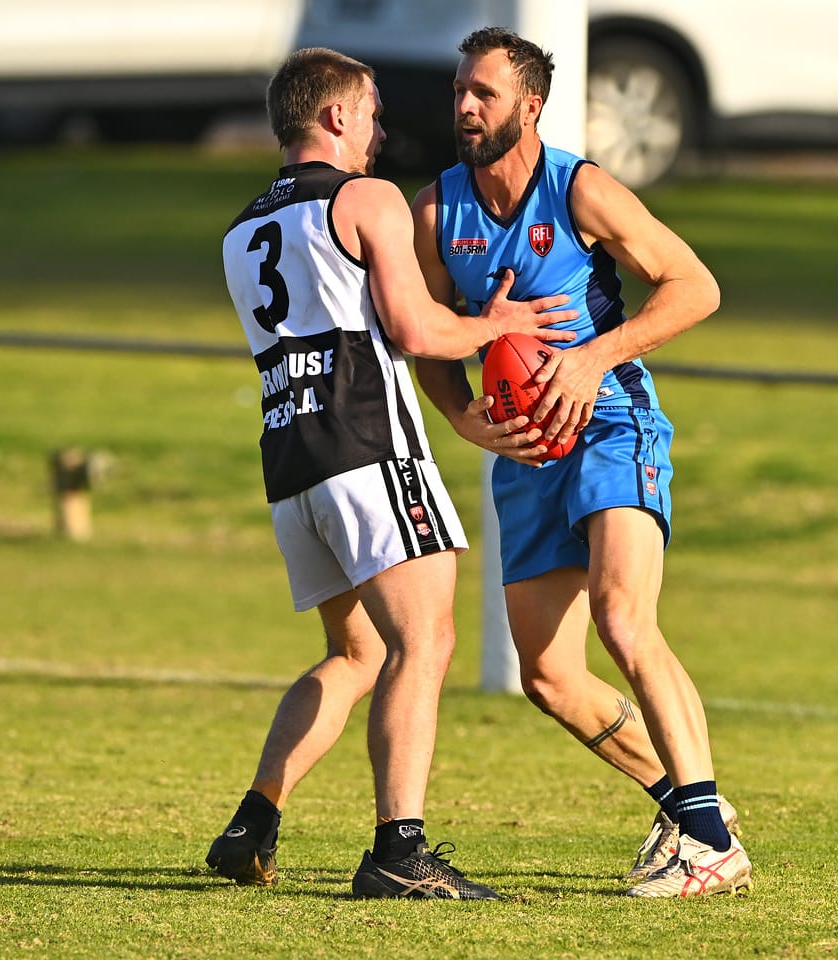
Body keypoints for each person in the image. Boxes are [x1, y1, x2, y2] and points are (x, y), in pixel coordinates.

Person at [207, 46, 577, 900]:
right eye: (372, 114)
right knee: (426, 640)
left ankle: (253, 822)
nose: (379, 134)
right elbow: (415, 331)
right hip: (369, 448)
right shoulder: (365, 198)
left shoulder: (241, 229)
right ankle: (398, 851)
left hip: (291, 461)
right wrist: (498, 324)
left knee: (356, 651)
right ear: (336, 116)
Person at [411, 27, 751, 898]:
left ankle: (712, 846)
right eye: (460, 91)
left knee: (623, 619)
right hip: (525, 449)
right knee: (550, 677)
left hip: (612, 423)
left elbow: (697, 286)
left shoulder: (580, 189)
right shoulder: (436, 212)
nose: (465, 107)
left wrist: (593, 358)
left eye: (484, 93)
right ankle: (689, 805)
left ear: (530, 106)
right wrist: (461, 417)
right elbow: (427, 336)